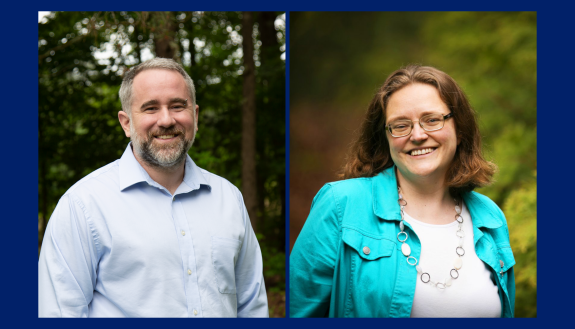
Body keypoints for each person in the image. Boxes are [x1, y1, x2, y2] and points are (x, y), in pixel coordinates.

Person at [38, 58, 268, 318]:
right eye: (150, 108)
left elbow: (252, 306)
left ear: (195, 114)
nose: (167, 120)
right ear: (126, 123)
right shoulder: (84, 205)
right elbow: (59, 313)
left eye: (178, 106)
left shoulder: (228, 198)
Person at [290, 65, 515, 318]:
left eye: (432, 120)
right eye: (400, 125)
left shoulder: (489, 217)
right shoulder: (340, 205)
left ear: (459, 129)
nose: (418, 135)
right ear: (385, 137)